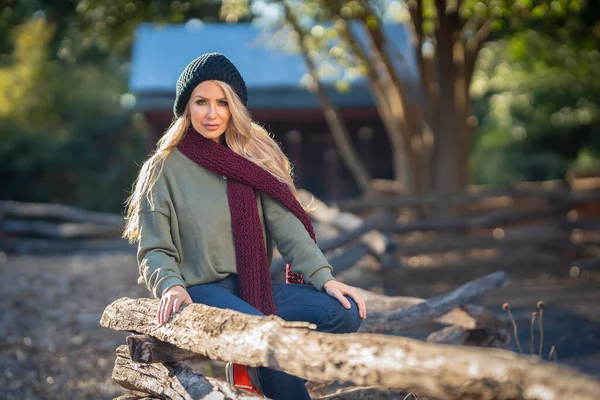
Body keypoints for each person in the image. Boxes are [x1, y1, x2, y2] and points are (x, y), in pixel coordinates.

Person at [122, 52, 367, 399]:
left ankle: (270, 372)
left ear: (234, 107)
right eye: (201, 101)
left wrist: (325, 279)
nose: (211, 113)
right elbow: (154, 247)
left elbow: (290, 231)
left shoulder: (251, 162)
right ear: (186, 108)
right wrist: (171, 286)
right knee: (266, 335)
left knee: (344, 313)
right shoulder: (163, 169)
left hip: (253, 289)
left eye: (222, 102)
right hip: (200, 292)